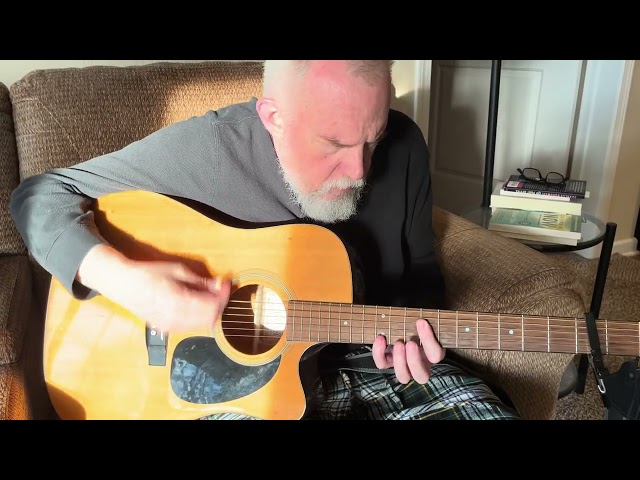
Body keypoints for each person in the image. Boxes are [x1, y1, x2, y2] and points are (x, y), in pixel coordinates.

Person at [10, 60, 519, 420]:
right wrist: (130, 283)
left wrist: (416, 339)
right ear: (272, 116)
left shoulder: (405, 147)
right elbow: (39, 196)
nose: (360, 169)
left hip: (375, 370)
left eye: (373, 138)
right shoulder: (209, 150)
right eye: (335, 144)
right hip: (243, 397)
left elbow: (421, 273)